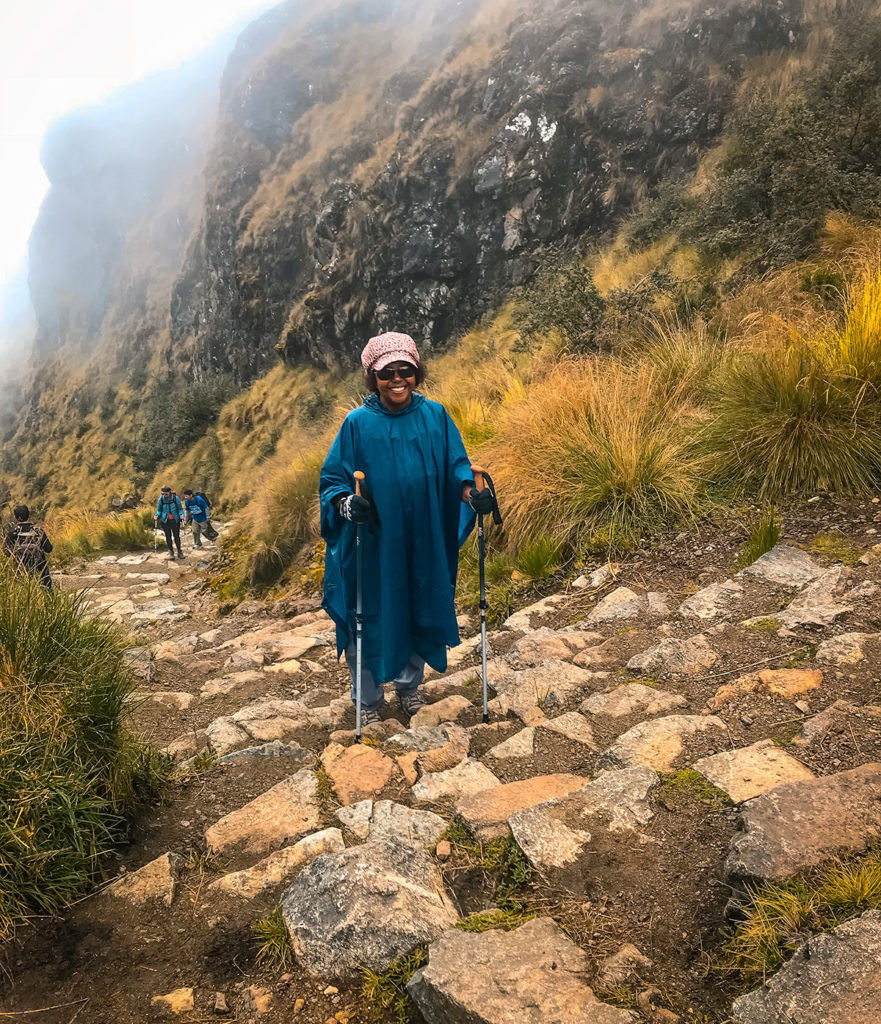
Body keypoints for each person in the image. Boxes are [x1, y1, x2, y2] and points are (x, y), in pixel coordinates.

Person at [319, 331, 495, 724]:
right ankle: (366, 700)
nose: (397, 379)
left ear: (417, 372)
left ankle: (408, 686)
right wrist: (348, 504)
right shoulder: (357, 424)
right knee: (367, 610)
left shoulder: (436, 416)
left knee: (418, 602)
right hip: (374, 540)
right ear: (372, 378)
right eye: (387, 373)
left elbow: (457, 466)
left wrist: (472, 493)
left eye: (406, 370)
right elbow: (333, 480)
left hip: (423, 534)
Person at [3, 504, 53, 588]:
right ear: (28, 515)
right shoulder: (39, 532)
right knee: (47, 590)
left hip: (21, 572)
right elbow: (49, 549)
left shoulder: (12, 535)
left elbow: (6, 553)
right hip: (41, 572)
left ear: (16, 517)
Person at [154, 486, 184, 560]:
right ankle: (171, 552)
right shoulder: (160, 499)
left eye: (166, 493)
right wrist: (157, 515)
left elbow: (180, 509)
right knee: (168, 536)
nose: (164, 495)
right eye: (163, 493)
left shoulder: (175, 498)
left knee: (176, 536)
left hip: (175, 520)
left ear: (169, 492)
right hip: (165, 521)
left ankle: (179, 551)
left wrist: (181, 514)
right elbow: (159, 510)